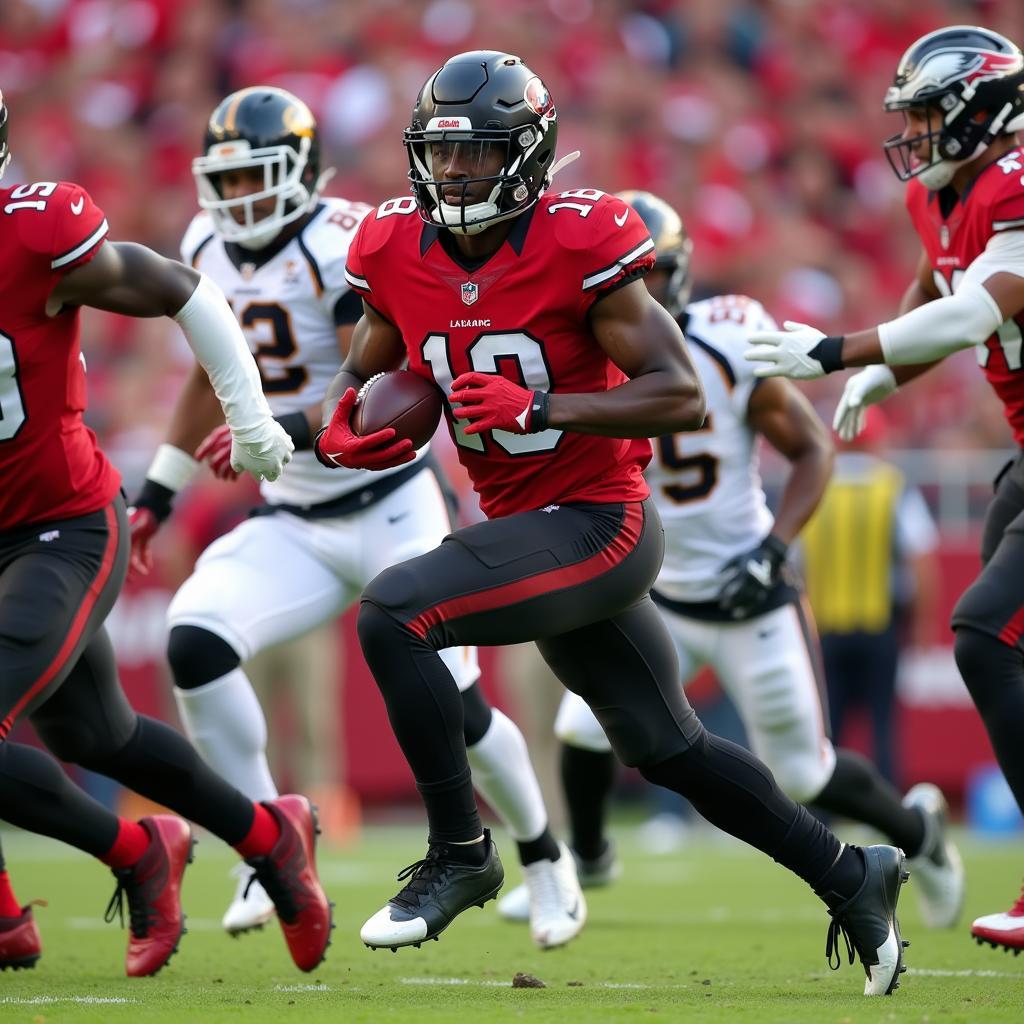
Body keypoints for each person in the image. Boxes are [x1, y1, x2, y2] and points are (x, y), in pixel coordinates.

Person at [318, 50, 910, 996]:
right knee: (668, 747)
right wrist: (341, 423)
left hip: (602, 524)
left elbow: (679, 394)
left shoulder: (583, 238)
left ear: (531, 154)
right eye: (443, 153)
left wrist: (541, 410)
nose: (457, 173)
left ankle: (461, 851)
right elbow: (370, 366)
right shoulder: (394, 247)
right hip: (527, 523)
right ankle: (851, 873)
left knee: (395, 613)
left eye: (480, 155)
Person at [128, 86, 583, 950]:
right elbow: (209, 378)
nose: (238, 199)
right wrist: (159, 488)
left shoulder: (344, 245)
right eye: (223, 180)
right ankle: (268, 844)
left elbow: (386, 388)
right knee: (194, 638)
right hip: (293, 514)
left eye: (256, 177)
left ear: (301, 171)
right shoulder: (202, 246)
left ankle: (544, 851)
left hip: (388, 502)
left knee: (458, 700)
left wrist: (278, 430)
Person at [494, 191, 962, 933]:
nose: (637, 292)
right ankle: (585, 862)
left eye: (648, 275)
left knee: (806, 772)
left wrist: (774, 550)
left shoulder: (727, 340)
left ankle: (918, 833)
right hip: (654, 595)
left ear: (673, 276)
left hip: (749, 595)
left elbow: (813, 450)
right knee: (581, 726)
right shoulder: (570, 353)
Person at [0, 90, 331, 977]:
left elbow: (189, 291)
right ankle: (272, 834)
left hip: (56, 526)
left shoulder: (33, 231)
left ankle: (132, 855)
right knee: (97, 737)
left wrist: (252, 416)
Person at [743, 24, 1024, 954]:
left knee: (985, 635)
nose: (917, 131)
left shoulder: (1018, 179)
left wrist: (839, 351)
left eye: (933, 112)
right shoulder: (942, 199)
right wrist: (882, 373)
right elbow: (931, 287)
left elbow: (983, 305)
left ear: (985, 111)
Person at [800, 407, 940, 786]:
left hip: (825, 628)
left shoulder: (816, 485)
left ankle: (824, 815)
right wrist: (925, 624)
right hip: (879, 626)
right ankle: (890, 813)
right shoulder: (892, 484)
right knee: (883, 727)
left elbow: (795, 564)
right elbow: (921, 558)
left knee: (828, 732)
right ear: (875, 440)